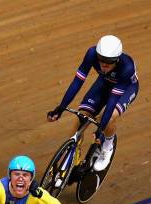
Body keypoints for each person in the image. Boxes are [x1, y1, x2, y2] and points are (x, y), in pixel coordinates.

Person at [47, 35, 139, 171]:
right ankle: (72, 155)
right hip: (104, 83)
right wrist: (61, 108)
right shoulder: (91, 54)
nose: (104, 65)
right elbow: (77, 83)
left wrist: (100, 130)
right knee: (81, 117)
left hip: (125, 89)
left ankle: (108, 146)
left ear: (117, 59)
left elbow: (112, 101)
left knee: (106, 119)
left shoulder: (127, 67)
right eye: (101, 60)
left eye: (109, 61)